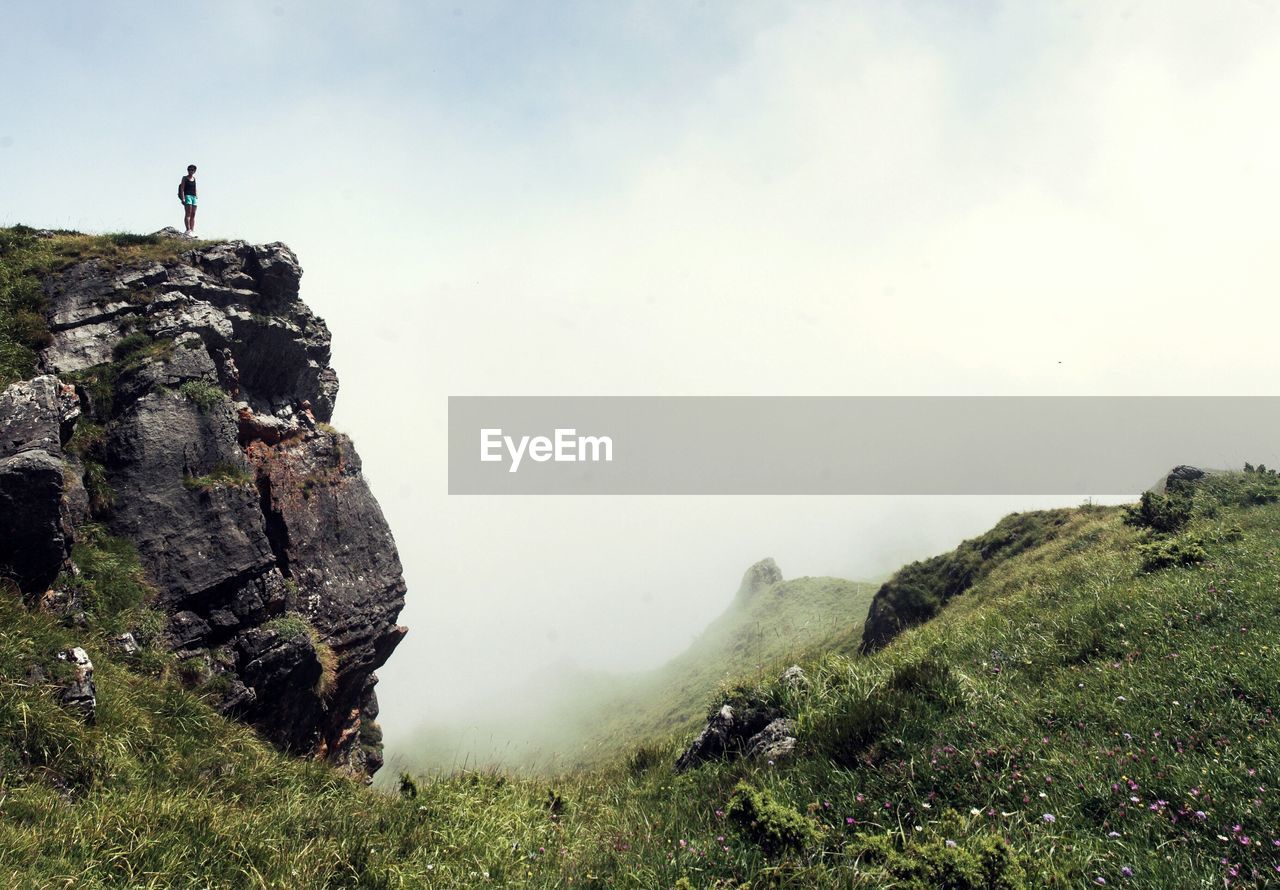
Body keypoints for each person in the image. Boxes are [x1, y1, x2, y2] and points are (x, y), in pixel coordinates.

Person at [178, 165, 198, 236]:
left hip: (194, 197)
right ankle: (188, 230)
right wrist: (183, 198)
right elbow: (182, 188)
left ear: (194, 171)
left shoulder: (194, 178)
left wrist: (196, 196)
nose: (191, 171)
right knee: (188, 213)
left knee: (193, 214)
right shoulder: (184, 178)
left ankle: (192, 230)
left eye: (192, 170)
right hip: (187, 196)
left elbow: (195, 187)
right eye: (189, 169)